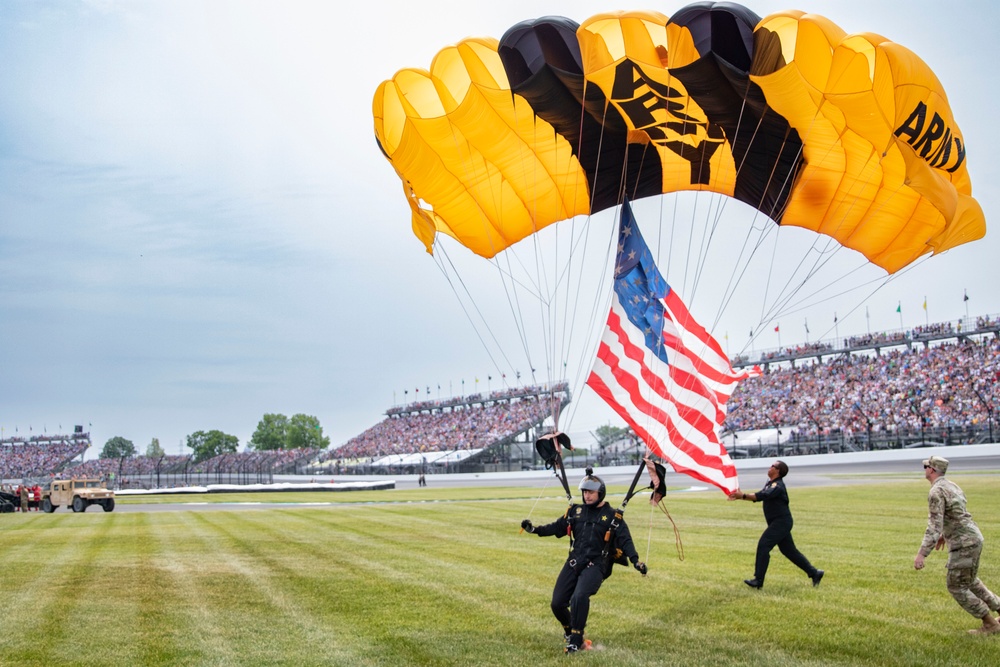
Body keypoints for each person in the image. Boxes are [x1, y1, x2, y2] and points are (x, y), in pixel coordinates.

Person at [521, 471, 647, 653]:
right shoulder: (576, 511)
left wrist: (635, 561)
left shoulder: (612, 516)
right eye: (585, 492)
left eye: (591, 492)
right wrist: (533, 529)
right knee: (557, 603)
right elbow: (557, 527)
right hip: (574, 560)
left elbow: (625, 540)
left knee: (579, 597)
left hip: (596, 564)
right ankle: (569, 630)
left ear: (600, 493)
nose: (587, 496)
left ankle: (576, 640)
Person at [913, 455, 1000, 635]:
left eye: (926, 467)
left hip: (964, 543)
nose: (925, 470)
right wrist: (945, 535)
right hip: (973, 537)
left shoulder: (936, 492)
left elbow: (934, 526)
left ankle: (990, 624)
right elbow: (957, 514)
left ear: (932, 470)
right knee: (971, 582)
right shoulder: (952, 486)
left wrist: (922, 553)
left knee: (956, 586)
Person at [728, 460, 824, 589]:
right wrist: (741, 496)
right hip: (778, 522)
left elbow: (762, 495)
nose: (770, 467)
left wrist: (743, 495)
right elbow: (760, 495)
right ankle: (814, 573)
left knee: (764, 545)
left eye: (772, 466)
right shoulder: (770, 484)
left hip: (781, 522)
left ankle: (758, 580)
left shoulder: (777, 486)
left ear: (778, 471)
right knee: (789, 551)